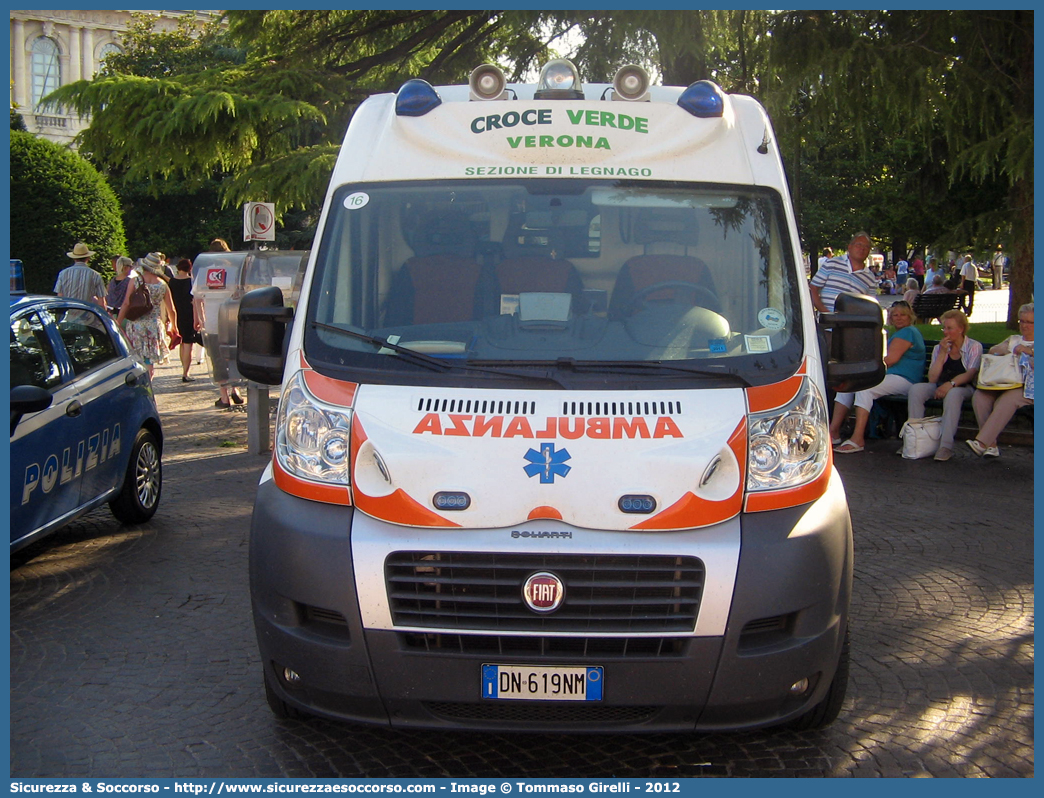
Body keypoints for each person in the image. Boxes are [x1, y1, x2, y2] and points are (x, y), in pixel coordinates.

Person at [831, 300, 926, 453]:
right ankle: (833, 431)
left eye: (903, 315)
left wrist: (864, 370)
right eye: (895, 315)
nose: (899, 318)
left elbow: (890, 360)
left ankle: (858, 438)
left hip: (906, 380)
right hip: (892, 378)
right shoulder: (899, 334)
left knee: (865, 388)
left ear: (910, 317)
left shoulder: (908, 332)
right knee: (848, 385)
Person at [906, 309, 983, 461]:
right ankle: (913, 439)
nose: (945, 332)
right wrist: (942, 354)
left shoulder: (974, 347)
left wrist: (951, 384)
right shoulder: (939, 348)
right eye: (944, 328)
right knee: (916, 390)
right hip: (941, 384)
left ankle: (945, 446)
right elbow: (933, 378)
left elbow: (970, 373)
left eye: (949, 328)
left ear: (960, 329)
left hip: (963, 387)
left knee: (953, 395)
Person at [967, 303, 1034, 457]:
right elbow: (993, 351)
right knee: (980, 397)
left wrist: (1029, 352)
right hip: (1005, 383)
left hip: (1029, 389)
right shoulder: (1014, 339)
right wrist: (1007, 350)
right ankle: (991, 445)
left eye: (1030, 322)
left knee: (1006, 400)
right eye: (1022, 321)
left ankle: (982, 442)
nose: (1025, 326)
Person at [117, 252, 177, 381]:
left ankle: (138, 385)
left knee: (136, 357)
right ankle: (148, 384)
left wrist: (118, 322)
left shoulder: (135, 281)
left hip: (136, 323)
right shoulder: (162, 285)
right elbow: (171, 309)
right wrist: (174, 327)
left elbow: (126, 302)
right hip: (154, 325)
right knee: (149, 361)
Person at [809, 232, 878, 313]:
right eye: (858, 245)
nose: (862, 249)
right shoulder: (832, 263)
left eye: (866, 247)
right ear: (849, 247)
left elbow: (871, 306)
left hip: (853, 324)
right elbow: (813, 288)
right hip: (825, 323)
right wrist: (826, 313)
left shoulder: (870, 277)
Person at [168, 258, 204, 382]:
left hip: (176, 313)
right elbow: (195, 300)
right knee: (188, 344)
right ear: (189, 268)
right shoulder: (191, 282)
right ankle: (185, 373)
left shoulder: (172, 282)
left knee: (182, 343)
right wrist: (198, 317)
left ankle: (183, 369)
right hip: (188, 314)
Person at [54, 242, 106, 307]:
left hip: (68, 314)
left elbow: (60, 298)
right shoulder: (95, 275)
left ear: (74, 258)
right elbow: (101, 303)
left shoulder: (63, 273)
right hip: (88, 314)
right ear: (88, 258)